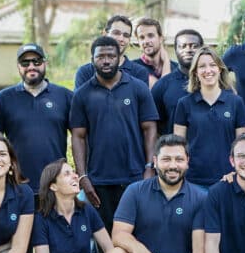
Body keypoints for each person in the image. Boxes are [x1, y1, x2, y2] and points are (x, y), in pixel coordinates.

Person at [0, 42, 73, 253]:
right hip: (19, 188)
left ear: (45, 64)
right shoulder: (4, 99)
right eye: (25, 62)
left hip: (55, 187)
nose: (31, 67)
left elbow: (79, 137)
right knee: (21, 247)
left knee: (57, 245)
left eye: (36, 61)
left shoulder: (64, 96)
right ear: (18, 67)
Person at [71, 35, 159, 232]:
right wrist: (83, 176)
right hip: (98, 180)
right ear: (92, 60)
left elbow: (150, 129)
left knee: (137, 235)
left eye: (111, 56)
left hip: (135, 177)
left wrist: (149, 167)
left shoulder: (138, 88)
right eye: (100, 56)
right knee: (105, 240)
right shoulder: (82, 94)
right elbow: (78, 136)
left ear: (119, 58)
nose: (106, 61)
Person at [173, 47, 245, 187]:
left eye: (213, 65)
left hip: (228, 179)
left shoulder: (236, 102)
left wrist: (235, 172)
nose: (208, 70)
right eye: (202, 66)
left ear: (220, 69)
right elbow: (178, 146)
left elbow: (242, 145)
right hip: (193, 181)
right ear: (195, 72)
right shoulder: (184, 104)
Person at [74, 15, 152, 88]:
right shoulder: (85, 72)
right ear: (105, 34)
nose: (121, 39)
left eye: (126, 35)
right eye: (116, 33)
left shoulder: (139, 73)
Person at [151, 29, 203, 134]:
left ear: (202, 49)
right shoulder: (162, 85)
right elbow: (153, 124)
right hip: (175, 143)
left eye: (194, 46)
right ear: (175, 50)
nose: (188, 50)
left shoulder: (214, 83)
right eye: (182, 46)